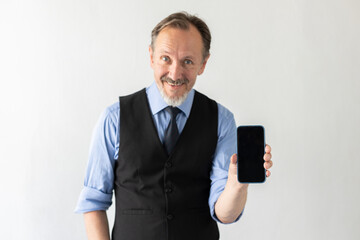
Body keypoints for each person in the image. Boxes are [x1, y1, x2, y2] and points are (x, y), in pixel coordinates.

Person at [75, 11, 273, 240]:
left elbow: (225, 214)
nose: (175, 73)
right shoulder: (114, 118)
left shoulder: (222, 120)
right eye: (166, 58)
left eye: (187, 61)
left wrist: (238, 184)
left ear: (203, 63)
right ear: (151, 57)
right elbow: (93, 202)